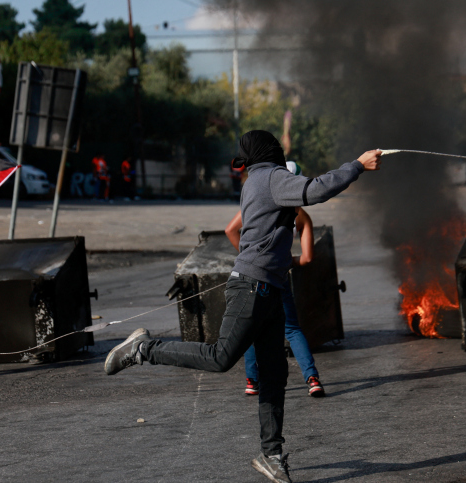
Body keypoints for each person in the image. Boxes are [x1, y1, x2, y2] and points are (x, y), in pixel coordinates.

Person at [103, 130, 381, 483]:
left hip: (268, 288)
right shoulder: (271, 178)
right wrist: (357, 165)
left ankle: (272, 454)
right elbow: (315, 190)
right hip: (253, 288)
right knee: (221, 357)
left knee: (274, 375)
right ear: (272, 152)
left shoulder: (256, 179)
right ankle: (144, 349)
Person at [224, 162, 325, 398]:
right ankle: (312, 379)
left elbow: (230, 230)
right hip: (279, 278)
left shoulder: (256, 203)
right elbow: (308, 258)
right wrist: (284, 260)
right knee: (291, 329)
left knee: (252, 328)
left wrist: (248, 256)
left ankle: (252, 380)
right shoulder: (301, 216)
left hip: (252, 276)